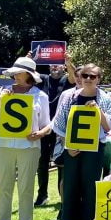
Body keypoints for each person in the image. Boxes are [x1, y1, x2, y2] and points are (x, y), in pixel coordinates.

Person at [0, 56, 52, 220]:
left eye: (18, 72)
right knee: (4, 188)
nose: (14, 75)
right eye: (13, 72)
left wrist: (39, 134)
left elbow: (47, 125)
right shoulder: (5, 91)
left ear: (28, 74)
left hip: (29, 147)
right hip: (4, 145)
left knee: (26, 188)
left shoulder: (40, 96)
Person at [47, 63, 111, 220]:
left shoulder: (104, 98)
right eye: (85, 75)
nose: (88, 79)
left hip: (95, 149)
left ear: (99, 79)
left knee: (91, 187)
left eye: (93, 76)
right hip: (72, 149)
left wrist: (98, 111)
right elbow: (59, 123)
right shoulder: (69, 96)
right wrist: (67, 146)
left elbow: (108, 127)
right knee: (70, 186)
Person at [35, 60, 76, 207]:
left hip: (61, 128)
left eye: (58, 64)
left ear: (63, 67)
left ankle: (61, 195)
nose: (54, 66)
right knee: (42, 163)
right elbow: (29, 75)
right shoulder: (44, 79)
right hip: (44, 127)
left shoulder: (67, 79)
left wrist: (69, 62)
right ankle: (42, 195)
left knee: (60, 162)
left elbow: (74, 76)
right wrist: (31, 60)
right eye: (52, 64)